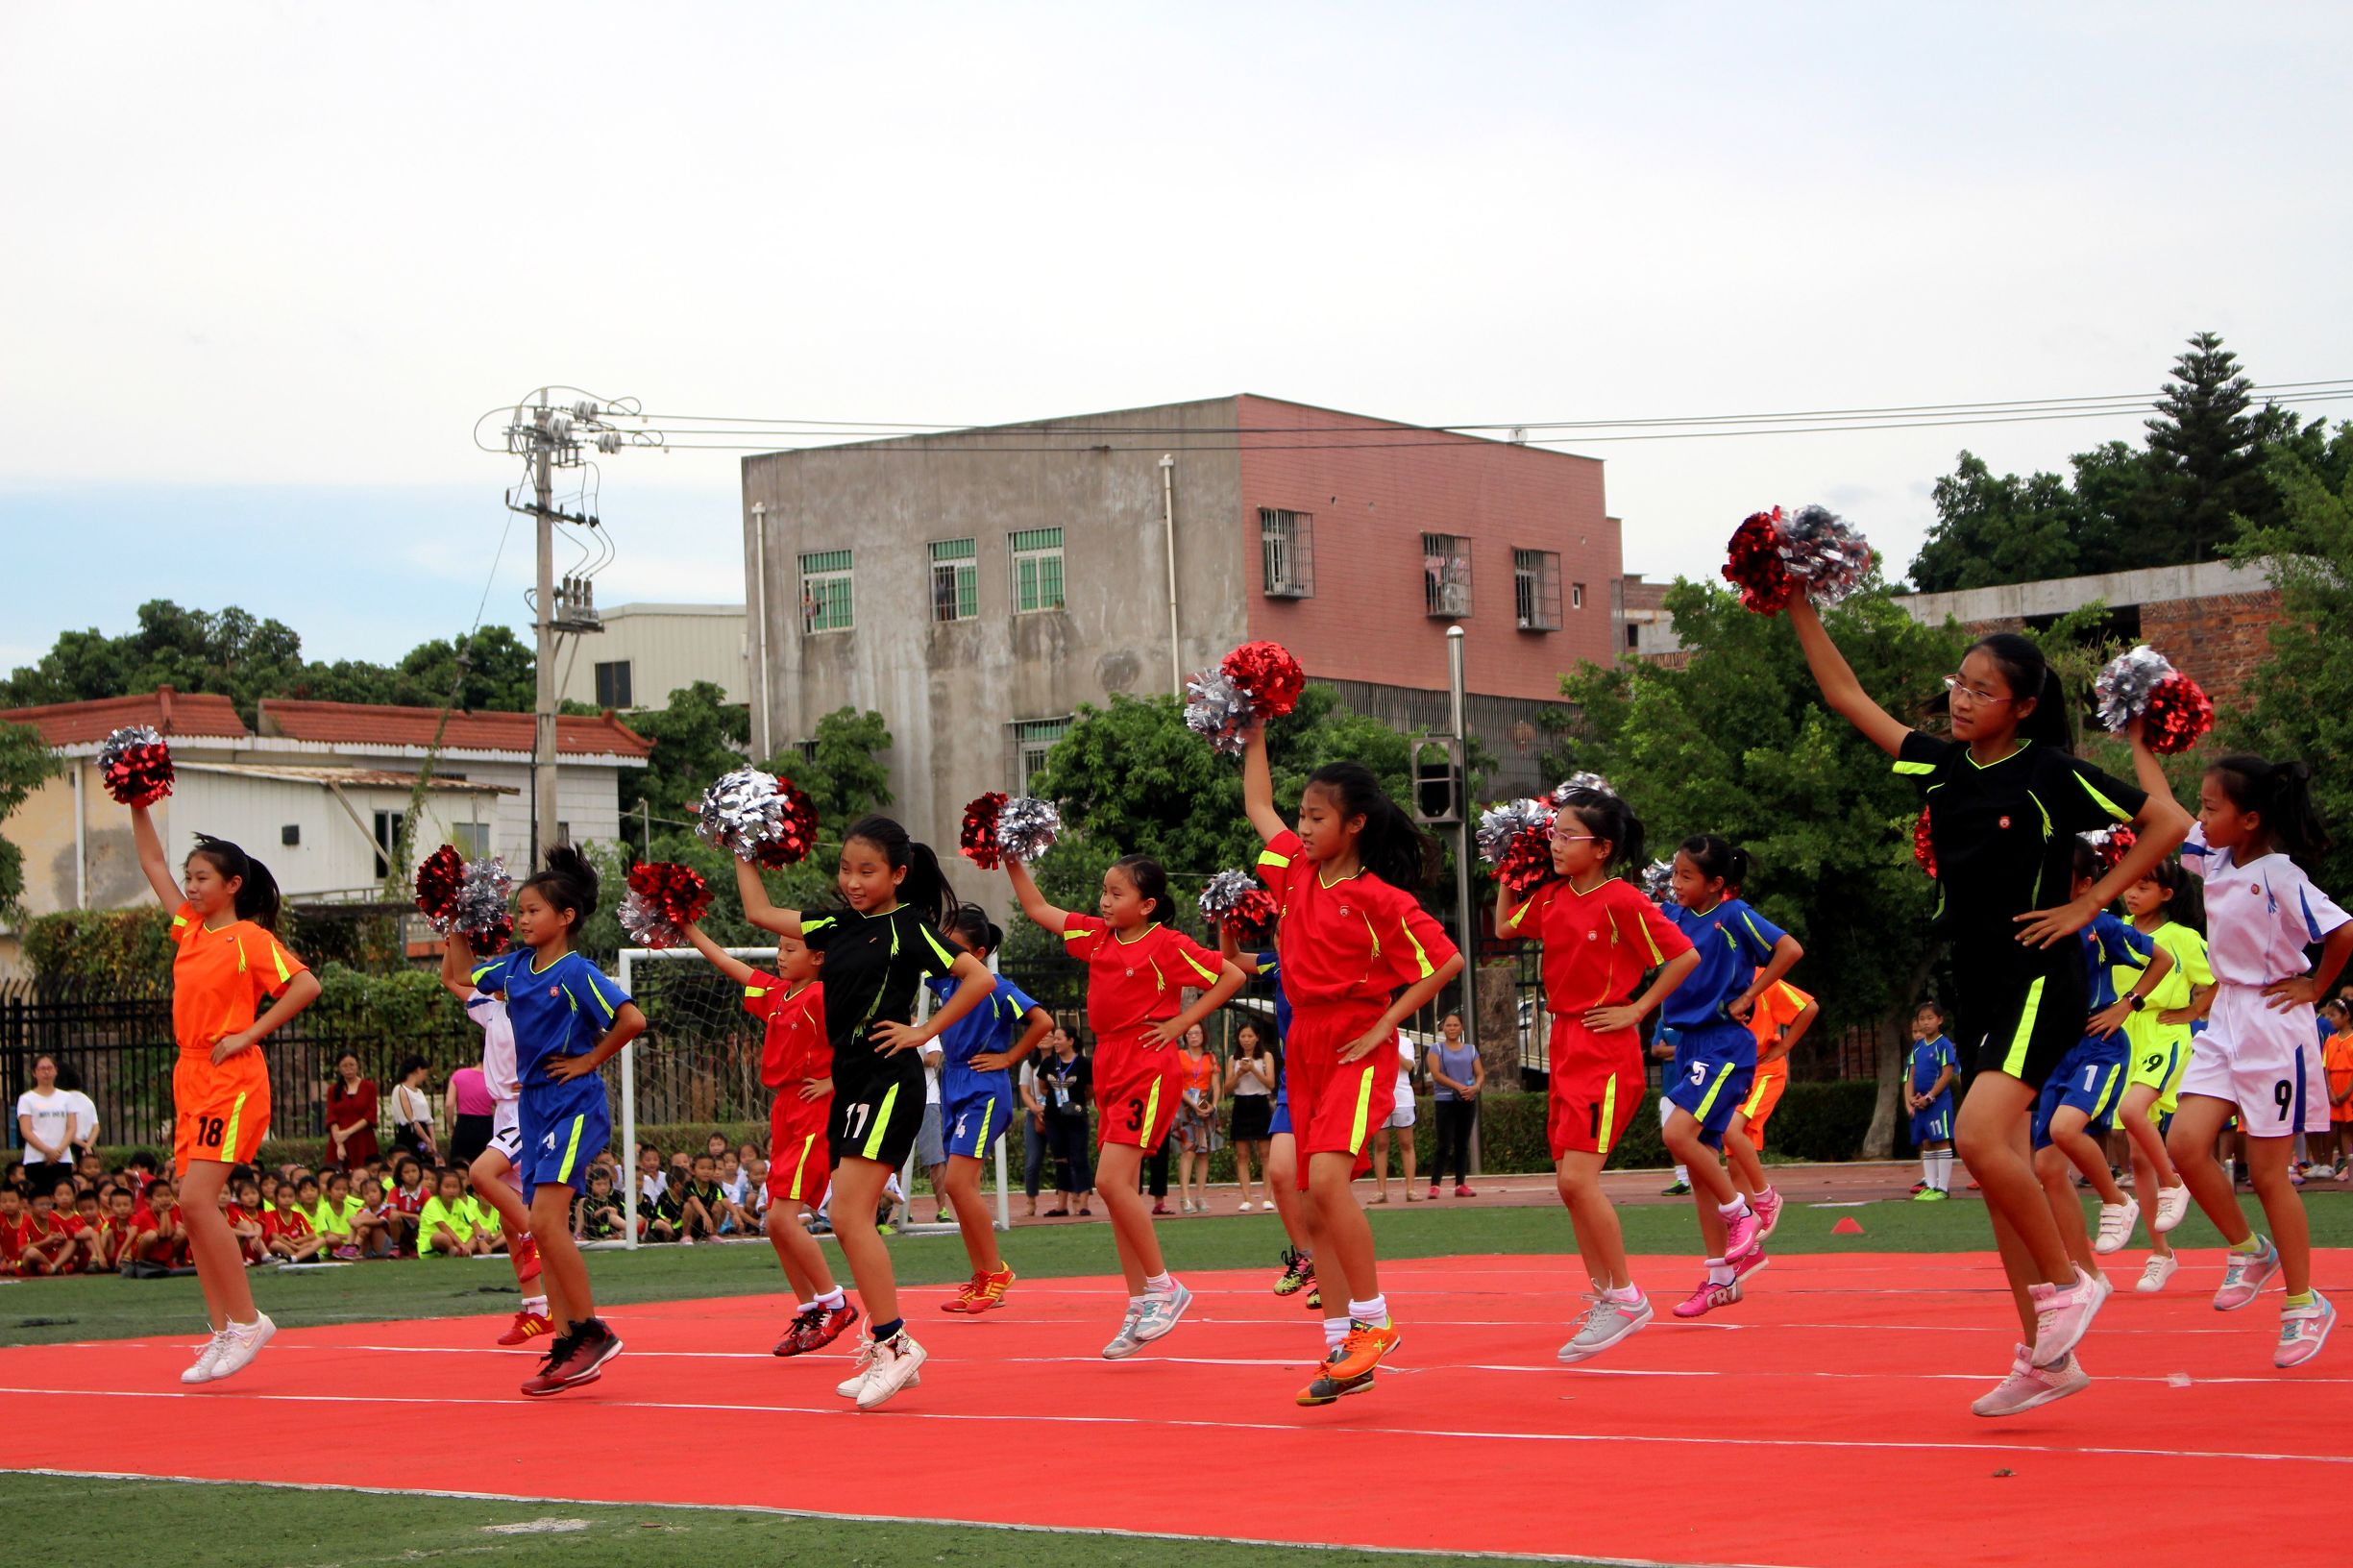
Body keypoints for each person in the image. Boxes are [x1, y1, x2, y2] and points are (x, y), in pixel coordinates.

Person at [1789, 602, 2190, 1414]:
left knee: (1974, 1135)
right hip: (1975, 981)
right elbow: (1844, 695)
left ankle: (2071, 1284)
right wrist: (1794, 599)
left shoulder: (2047, 771)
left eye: (1982, 690)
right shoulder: (1940, 767)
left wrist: (2091, 905)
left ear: (2024, 705)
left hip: (2039, 973)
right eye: (1957, 685)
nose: (1962, 700)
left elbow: (2167, 822)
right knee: (1996, 1173)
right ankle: (2047, 1361)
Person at [736, 813, 999, 1410]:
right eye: (846, 868)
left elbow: (976, 977)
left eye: (868, 870)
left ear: (898, 874)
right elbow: (758, 912)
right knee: (847, 1218)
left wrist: (924, 1029)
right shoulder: (834, 925)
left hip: (887, 1079)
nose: (853, 880)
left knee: (852, 1215)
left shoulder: (910, 927)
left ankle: (895, 1344)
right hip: (852, 1078)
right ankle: (886, 1345)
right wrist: (741, 843)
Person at [1243, 732, 1465, 1406]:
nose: (1302, 827)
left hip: (1354, 1046)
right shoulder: (1293, 871)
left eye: (1316, 817)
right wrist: (1253, 727)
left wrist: (1383, 1023)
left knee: (1327, 1183)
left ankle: (1373, 1321)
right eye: (1302, 816)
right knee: (1311, 1200)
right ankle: (1344, 1346)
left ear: (1355, 823)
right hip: (1305, 1045)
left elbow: (1446, 962)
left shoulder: (1380, 900)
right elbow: (1258, 803)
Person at [1003, 848, 1245, 1360]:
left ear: (1148, 903)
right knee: (1119, 1194)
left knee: (1110, 1181)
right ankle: (1139, 1304)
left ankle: (1163, 1288)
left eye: (1117, 894)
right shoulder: (1096, 936)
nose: (1105, 901)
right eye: (1104, 891)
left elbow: (1232, 976)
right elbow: (1038, 909)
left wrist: (1182, 1023)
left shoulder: (1167, 944)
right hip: (1109, 1058)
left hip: (1147, 1060)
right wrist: (1010, 858)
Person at [1495, 780, 1700, 1362]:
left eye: (1567, 836)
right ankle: (1608, 1294)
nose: (1555, 844)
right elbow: (1507, 927)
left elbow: (1684, 954)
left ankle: (1626, 1296)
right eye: (1552, 834)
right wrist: (1507, 866)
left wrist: (1637, 1008)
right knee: (1567, 1184)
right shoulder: (1556, 897)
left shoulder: (1622, 900)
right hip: (1563, 1044)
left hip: (1603, 1050)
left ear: (1602, 847)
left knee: (1577, 1181)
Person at [2167, 755, 2352, 1367]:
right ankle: (2250, 1250)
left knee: (2269, 1173)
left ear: (2249, 819)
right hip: (2225, 1018)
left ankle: (2304, 1302)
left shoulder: (2280, 874)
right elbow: (2160, 811)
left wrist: (2316, 989)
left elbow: (2342, 931)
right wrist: (2141, 738)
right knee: (2185, 1145)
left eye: (2212, 807)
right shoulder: (2216, 856)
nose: (2201, 815)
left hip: (2275, 1024)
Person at [128, 804, 322, 1383]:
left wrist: (249, 1033)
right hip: (190, 1073)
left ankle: (247, 1320)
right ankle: (221, 1330)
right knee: (194, 1209)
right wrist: (138, 801)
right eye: (189, 878)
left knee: (192, 1200)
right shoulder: (189, 927)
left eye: (202, 878)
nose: (190, 886)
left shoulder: (248, 937)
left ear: (233, 885)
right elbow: (151, 860)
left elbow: (305, 984)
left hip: (231, 1078)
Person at [452, 845, 647, 1397]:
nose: (523, 917)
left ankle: (590, 1331)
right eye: (520, 910)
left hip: (571, 1101)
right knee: (544, 1224)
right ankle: (567, 1341)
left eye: (534, 909)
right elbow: (461, 973)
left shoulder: (576, 971)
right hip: (533, 1103)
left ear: (565, 917)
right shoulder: (515, 968)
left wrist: (588, 1059)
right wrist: (454, 918)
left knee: (544, 1221)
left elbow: (632, 1018)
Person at [1657, 835, 1804, 1319]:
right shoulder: (1674, 917)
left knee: (1676, 1133)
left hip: (1723, 1043)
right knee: (1701, 1167)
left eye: (1687, 876)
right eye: (1674, 873)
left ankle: (1745, 1209)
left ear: (1717, 884)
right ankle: (1723, 1278)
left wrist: (1751, 995)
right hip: (1693, 1045)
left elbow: (1789, 949)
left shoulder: (1734, 915)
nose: (1676, 883)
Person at [2030, 842, 2173, 1299]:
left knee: (2067, 1130)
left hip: (2099, 1047)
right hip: (2056, 1051)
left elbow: (2162, 960)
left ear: (2086, 885)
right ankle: (2090, 1275)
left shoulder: (2099, 924)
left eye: (2058, 874)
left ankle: (2117, 1199)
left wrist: (2127, 1006)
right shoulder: (2033, 922)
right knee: (2047, 1169)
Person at [931, 905, 1051, 1313]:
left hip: (984, 1086)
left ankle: (995, 1273)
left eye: (954, 944)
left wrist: (1009, 1057)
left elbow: (1043, 1021)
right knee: (957, 1186)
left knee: (959, 1184)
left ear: (978, 953)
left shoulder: (995, 987)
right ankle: (983, 1276)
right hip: (954, 1082)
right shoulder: (946, 983)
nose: (945, 951)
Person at [2108, 857, 2214, 1290]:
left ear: (2167, 895)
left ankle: (2175, 1183)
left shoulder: (2183, 938)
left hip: (2163, 1032)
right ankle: (2161, 1253)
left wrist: (2191, 1011)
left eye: (2145, 887)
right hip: (2120, 1037)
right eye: (2130, 884)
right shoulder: (2115, 930)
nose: (2133, 893)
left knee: (2135, 1111)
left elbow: (2217, 980)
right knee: (2134, 1154)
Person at [435, 941, 548, 1338]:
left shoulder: (537, 1009)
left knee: (480, 1175)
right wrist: (451, 930)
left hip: (527, 1111)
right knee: (507, 1216)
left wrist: (541, 1074)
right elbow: (451, 977)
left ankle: (537, 1233)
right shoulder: (491, 1009)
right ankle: (537, 1307)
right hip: (503, 1113)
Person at [1215, 923, 1318, 1305]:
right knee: (1280, 1172)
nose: (1282, 939)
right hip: (1295, 1082)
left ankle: (1336, 1269)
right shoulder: (1276, 965)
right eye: (1277, 935)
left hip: (1327, 1077)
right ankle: (1309, 1257)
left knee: (1321, 1183)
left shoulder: (1324, 962)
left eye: (1286, 933)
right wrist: (1226, 917)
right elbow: (1231, 958)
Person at [1725, 977, 1816, 1227]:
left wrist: (1785, 1046)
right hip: (1732, 1074)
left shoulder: (1761, 978)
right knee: (1735, 1163)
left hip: (1763, 1070)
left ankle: (1766, 1196)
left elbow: (1809, 1007)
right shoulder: (1715, 975)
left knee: (1731, 1128)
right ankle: (1748, 1229)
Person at [1037, 1027, 1095, 1214]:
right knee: (1060, 1159)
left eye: (1059, 1038)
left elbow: (1090, 1091)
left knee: (1079, 1157)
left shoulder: (1084, 1064)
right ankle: (1061, 1205)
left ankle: (1084, 1203)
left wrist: (1074, 1104)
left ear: (1070, 1041)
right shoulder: (1048, 1063)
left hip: (1076, 1117)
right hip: (1054, 1117)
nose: (1055, 1042)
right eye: (1054, 1039)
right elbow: (1043, 1088)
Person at [1425, 1014, 1483, 1199]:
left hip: (1466, 1100)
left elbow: (1480, 1073)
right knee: (1444, 1143)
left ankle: (1460, 1183)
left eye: (1455, 1025)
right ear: (1443, 1028)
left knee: (1462, 1143)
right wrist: (1457, 1086)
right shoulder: (1436, 1049)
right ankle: (1435, 1185)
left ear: (1462, 1028)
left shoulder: (1471, 1050)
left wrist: (1475, 1087)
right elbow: (1436, 1074)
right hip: (1445, 1100)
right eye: (1448, 1025)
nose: (1452, 1028)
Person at [1906, 1001, 1959, 1201]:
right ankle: (1930, 1184)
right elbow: (1912, 1073)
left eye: (1930, 1018)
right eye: (1922, 1019)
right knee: (1926, 1142)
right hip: (1920, 1103)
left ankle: (1942, 1188)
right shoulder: (1918, 1047)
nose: (1925, 1023)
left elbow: (1946, 1074)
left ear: (1940, 1020)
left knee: (1941, 1140)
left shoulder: (1944, 1044)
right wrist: (1912, 1097)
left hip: (1938, 1102)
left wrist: (1930, 1096)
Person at [1226, 1019, 1277, 1212]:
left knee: (1266, 1153)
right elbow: (1227, 1088)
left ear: (1257, 1038)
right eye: (1242, 1036)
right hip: (1241, 1104)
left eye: (1250, 1036)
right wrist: (1239, 1073)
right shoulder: (1234, 1059)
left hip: (1260, 1103)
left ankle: (1267, 1197)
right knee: (1242, 1154)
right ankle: (1246, 1198)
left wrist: (1253, 1070)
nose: (1246, 1040)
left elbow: (1271, 1083)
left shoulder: (1266, 1057)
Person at [1175, 1022, 1223, 1213]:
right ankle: (1184, 1197)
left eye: (1196, 1033)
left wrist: (1214, 1105)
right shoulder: (1179, 1056)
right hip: (1186, 1105)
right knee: (1188, 1151)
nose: (1193, 1036)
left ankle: (1201, 1196)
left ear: (1203, 1035)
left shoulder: (1210, 1057)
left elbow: (1216, 1084)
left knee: (1204, 1153)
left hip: (1205, 1105)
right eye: (1189, 1033)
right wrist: (1193, 1104)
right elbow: (1178, 1084)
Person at [1368, 1029, 1418, 1204]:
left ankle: (1411, 1190)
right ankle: (1381, 1192)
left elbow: (1408, 1066)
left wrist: (1391, 1047)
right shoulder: (1371, 1040)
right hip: (1379, 1097)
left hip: (1403, 1098)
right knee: (1381, 1144)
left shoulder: (1405, 1042)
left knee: (1406, 1143)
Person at [14, 1054, 78, 1173]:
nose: (46, 1072)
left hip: (62, 1158)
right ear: (34, 1073)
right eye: (42, 1069)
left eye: (50, 1068)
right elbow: (26, 1131)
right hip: (36, 1158)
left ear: (55, 1071)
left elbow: (71, 1127)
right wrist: (48, 1151)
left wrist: (58, 1151)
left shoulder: (67, 1097)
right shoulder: (26, 1099)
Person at [324, 1053, 380, 1173]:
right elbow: (332, 1117)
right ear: (339, 1068)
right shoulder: (333, 1090)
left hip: (363, 1139)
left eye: (352, 1065)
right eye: (344, 1066)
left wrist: (348, 1132)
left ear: (358, 1065)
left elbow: (370, 1115)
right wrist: (339, 1143)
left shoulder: (369, 1087)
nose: (348, 1069)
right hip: (339, 1140)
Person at [419, 1168, 488, 1257]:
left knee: (485, 1232)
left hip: (456, 1240)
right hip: (434, 1244)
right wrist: (460, 1243)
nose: (452, 1191)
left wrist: (481, 1241)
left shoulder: (458, 1203)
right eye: (447, 1187)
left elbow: (474, 1223)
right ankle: (457, 1250)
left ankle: (462, 1251)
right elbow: (443, 1227)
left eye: (455, 1187)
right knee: (440, 1237)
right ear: (438, 1188)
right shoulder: (432, 1204)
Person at [1017, 1051, 1050, 1217]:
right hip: (1035, 1113)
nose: (1045, 1039)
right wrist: (1035, 1108)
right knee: (1032, 1161)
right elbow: (1024, 1091)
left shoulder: (1061, 1062)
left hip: (1059, 1113)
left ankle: (1072, 1202)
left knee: (1067, 1159)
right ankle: (1031, 1202)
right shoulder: (1029, 1065)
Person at [387, 1059, 438, 1164]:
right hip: (410, 1133)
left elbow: (428, 1119)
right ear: (418, 1070)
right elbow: (411, 1119)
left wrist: (433, 1142)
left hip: (423, 1131)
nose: (425, 1077)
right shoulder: (400, 1089)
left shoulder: (419, 1092)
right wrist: (427, 1140)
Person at [445, 1064, 494, 1168]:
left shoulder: (458, 1075)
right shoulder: (493, 1078)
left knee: (459, 1164)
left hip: (463, 1124)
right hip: (486, 1125)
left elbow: (449, 1104)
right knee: (483, 1166)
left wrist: (450, 1127)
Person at [2324, 1000, 2353, 1178]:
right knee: (2341, 1127)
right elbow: (2326, 1068)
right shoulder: (2330, 1040)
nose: (2330, 1019)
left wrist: (2346, 1092)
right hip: (2335, 1087)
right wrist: (2330, 1091)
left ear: (2346, 1016)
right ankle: (2346, 1163)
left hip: (2349, 1088)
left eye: (2333, 1015)